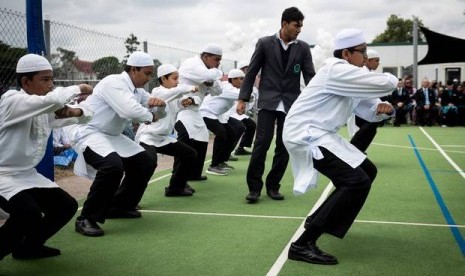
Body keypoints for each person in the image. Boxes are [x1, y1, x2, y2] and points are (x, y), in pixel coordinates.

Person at [283, 29, 397, 265]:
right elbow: (386, 82)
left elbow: (368, 109)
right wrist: (393, 82)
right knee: (356, 181)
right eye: (362, 51)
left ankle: (317, 219)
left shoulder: (348, 74)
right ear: (346, 53)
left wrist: (383, 109)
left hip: (322, 133)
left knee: (368, 172)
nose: (366, 56)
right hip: (306, 133)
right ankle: (302, 244)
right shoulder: (336, 70)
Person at [0, 54, 93, 260]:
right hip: (3, 176)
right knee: (27, 214)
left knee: (66, 206)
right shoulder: (12, 101)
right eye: (45, 79)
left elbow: (87, 115)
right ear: (25, 82)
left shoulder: (43, 106)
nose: (51, 85)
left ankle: (28, 247)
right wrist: (79, 88)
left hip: (26, 175)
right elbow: (55, 99)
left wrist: (75, 112)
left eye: (52, 79)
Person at [71, 51, 166, 237]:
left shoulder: (138, 91)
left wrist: (160, 106)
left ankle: (119, 206)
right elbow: (129, 110)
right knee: (112, 167)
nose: (149, 78)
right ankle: (86, 219)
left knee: (145, 161)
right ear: (133, 69)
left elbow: (158, 111)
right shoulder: (113, 82)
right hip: (90, 132)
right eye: (146, 73)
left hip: (112, 135)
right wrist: (152, 115)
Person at [237, 7, 315, 203]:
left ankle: (273, 186)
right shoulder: (264, 43)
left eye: (301, 26)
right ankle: (254, 188)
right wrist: (242, 99)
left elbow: (310, 77)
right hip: (268, 101)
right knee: (261, 144)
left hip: (291, 104)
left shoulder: (303, 48)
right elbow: (252, 71)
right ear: (284, 24)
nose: (299, 29)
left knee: (284, 146)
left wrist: (317, 102)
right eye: (297, 25)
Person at [135, 64, 199, 197]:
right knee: (149, 164)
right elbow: (172, 94)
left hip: (163, 138)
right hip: (147, 137)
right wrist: (190, 88)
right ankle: (127, 201)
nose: (177, 82)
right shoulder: (158, 92)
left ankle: (175, 188)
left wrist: (190, 100)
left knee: (189, 154)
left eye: (178, 79)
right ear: (163, 79)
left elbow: (183, 102)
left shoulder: (173, 95)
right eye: (175, 79)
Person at [176, 43, 224, 180]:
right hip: (182, 109)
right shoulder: (191, 63)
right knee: (185, 144)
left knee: (202, 139)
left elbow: (217, 91)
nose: (218, 63)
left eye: (220, 60)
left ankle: (194, 174)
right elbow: (208, 76)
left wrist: (211, 81)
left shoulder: (207, 69)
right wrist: (213, 77)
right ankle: (178, 181)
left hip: (195, 110)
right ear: (205, 56)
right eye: (216, 59)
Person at [200, 69, 245, 175]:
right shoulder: (226, 87)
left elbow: (244, 97)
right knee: (221, 134)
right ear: (233, 80)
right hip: (205, 113)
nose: (243, 81)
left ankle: (221, 161)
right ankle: (213, 165)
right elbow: (244, 95)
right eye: (241, 79)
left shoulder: (232, 88)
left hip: (216, 115)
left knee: (231, 134)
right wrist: (247, 98)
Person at [349, 49, 392, 152]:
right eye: (376, 60)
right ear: (367, 61)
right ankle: (353, 153)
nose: (378, 63)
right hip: (358, 110)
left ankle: (357, 152)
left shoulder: (368, 73)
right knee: (362, 131)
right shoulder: (363, 73)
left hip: (365, 109)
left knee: (370, 129)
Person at [231, 60, 257, 156]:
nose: (248, 70)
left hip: (239, 112)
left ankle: (240, 148)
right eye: (246, 68)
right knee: (238, 128)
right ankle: (227, 152)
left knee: (251, 125)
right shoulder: (237, 79)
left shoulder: (247, 80)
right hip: (231, 112)